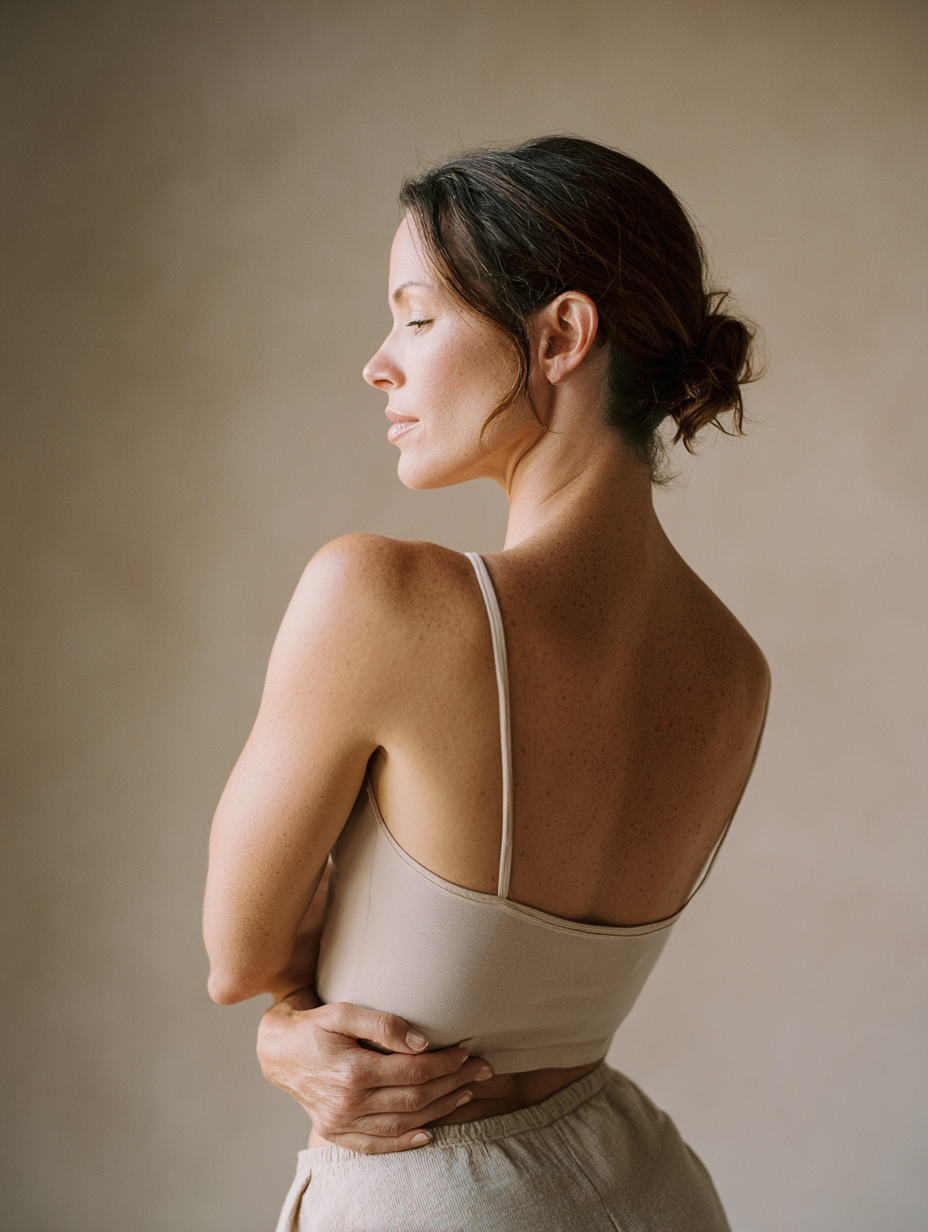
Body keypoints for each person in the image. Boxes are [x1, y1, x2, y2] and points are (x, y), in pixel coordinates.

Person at [203, 135, 770, 1231]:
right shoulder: (734, 670)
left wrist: (286, 1022)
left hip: (434, 1197)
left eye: (416, 315)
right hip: (643, 1184)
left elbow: (237, 956)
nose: (380, 360)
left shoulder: (378, 596)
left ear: (560, 334)